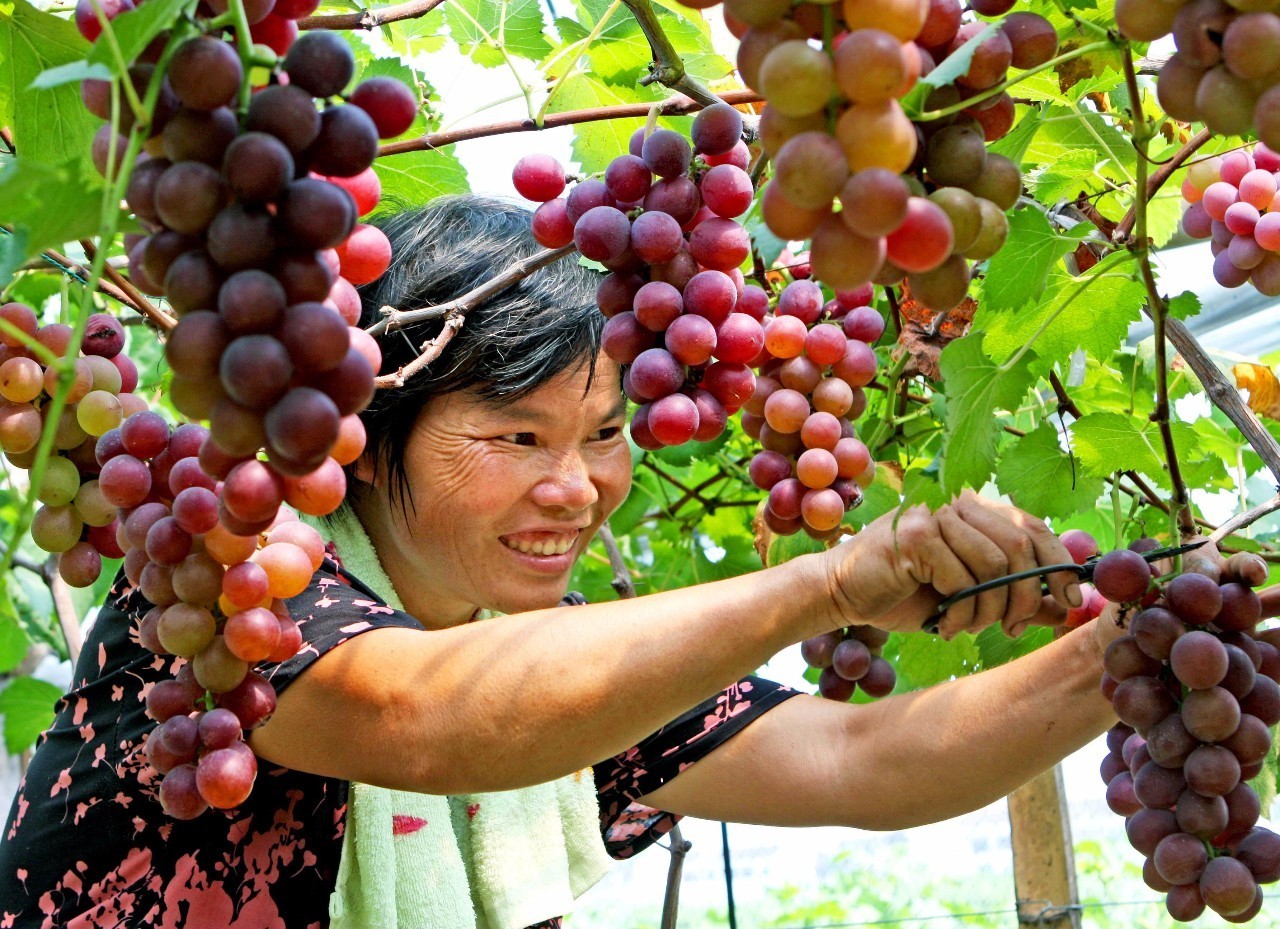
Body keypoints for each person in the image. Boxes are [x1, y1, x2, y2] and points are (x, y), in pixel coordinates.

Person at [0, 196, 1273, 928]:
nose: (578, 484)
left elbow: (859, 757)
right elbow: (431, 716)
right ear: (369, 438)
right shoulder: (231, 596)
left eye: (604, 433)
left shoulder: (573, 667)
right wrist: (823, 581)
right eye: (516, 435)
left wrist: (1140, 637)